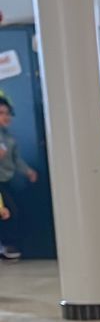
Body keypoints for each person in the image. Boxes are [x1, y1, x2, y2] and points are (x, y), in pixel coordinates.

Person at [0, 92, 38, 262]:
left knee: (12, 211)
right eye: (1, 113)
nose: (5, 117)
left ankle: (7, 246)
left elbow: (16, 160)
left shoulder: (9, 139)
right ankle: (7, 245)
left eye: (7, 113)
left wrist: (28, 171)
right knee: (8, 211)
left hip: (5, 180)